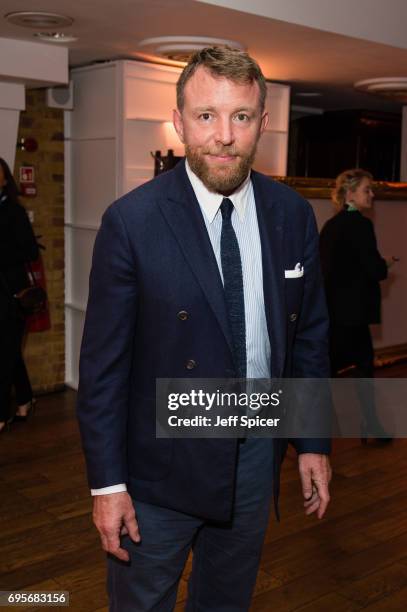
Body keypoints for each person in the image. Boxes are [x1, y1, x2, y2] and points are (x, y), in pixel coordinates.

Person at [77, 47, 331, 611]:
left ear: (262, 123)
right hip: (158, 472)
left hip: (255, 457)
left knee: (226, 601)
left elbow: (309, 337)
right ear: (180, 120)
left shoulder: (292, 215)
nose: (223, 136)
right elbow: (102, 371)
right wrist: (107, 486)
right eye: (206, 116)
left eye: (240, 117)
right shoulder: (132, 221)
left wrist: (312, 443)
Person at [320, 168, 395, 442]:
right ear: (350, 193)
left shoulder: (331, 226)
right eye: (367, 190)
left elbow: (325, 271)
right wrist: (384, 264)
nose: (372, 195)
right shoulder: (361, 225)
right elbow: (373, 269)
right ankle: (370, 426)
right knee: (364, 370)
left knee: (328, 370)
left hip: (333, 313)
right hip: (354, 314)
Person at [0, 157, 38, 432]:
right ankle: (25, 398)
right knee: (10, 352)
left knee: (5, 352)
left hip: (11, 293)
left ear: (5, 180)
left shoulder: (14, 211)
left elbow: (30, 251)